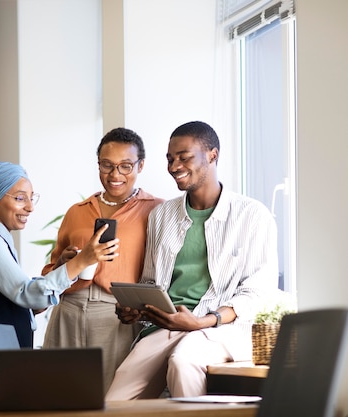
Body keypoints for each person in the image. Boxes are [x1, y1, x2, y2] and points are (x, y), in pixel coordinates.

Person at [105, 121, 279, 400]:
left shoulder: (253, 215)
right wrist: (137, 309)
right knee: (114, 401)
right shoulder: (161, 215)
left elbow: (257, 292)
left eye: (184, 157)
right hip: (166, 327)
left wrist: (205, 321)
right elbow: (151, 281)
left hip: (222, 329)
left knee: (183, 362)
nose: (174, 166)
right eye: (170, 159)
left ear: (212, 155)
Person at [0, 161, 118, 405]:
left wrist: (61, 269)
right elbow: (28, 295)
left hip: (1, 360)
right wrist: (81, 262)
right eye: (19, 198)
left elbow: (30, 305)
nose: (29, 208)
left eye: (31, 198)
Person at [42, 127, 164, 391]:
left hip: (116, 315)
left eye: (125, 166)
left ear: (140, 166)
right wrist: (66, 261)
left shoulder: (157, 210)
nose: (115, 175)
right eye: (107, 165)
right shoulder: (77, 211)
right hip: (68, 310)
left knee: (109, 399)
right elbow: (49, 273)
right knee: (56, 395)